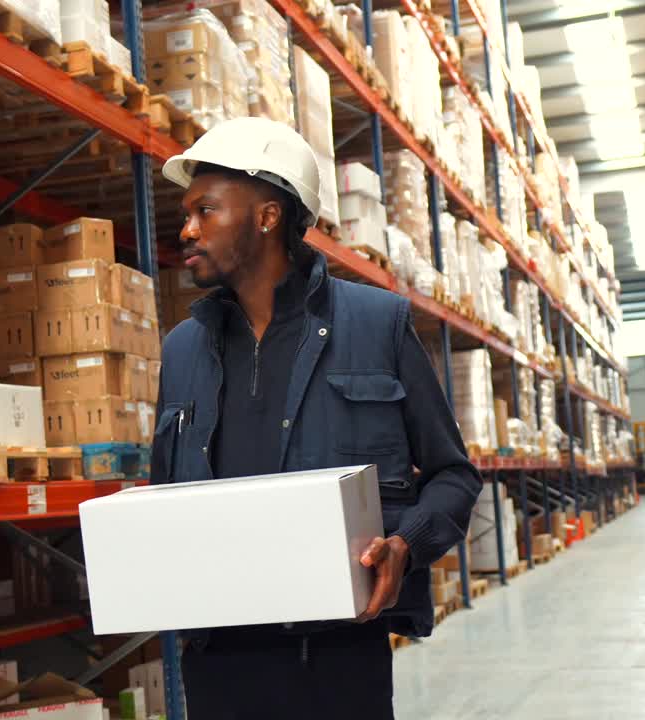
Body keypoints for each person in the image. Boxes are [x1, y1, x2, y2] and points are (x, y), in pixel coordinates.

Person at [151, 116, 482, 719]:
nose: (187, 229)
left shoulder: (376, 324)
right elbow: (164, 500)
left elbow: (453, 476)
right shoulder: (181, 350)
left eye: (207, 211)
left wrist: (406, 544)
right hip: (217, 666)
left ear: (267, 216)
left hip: (336, 663)